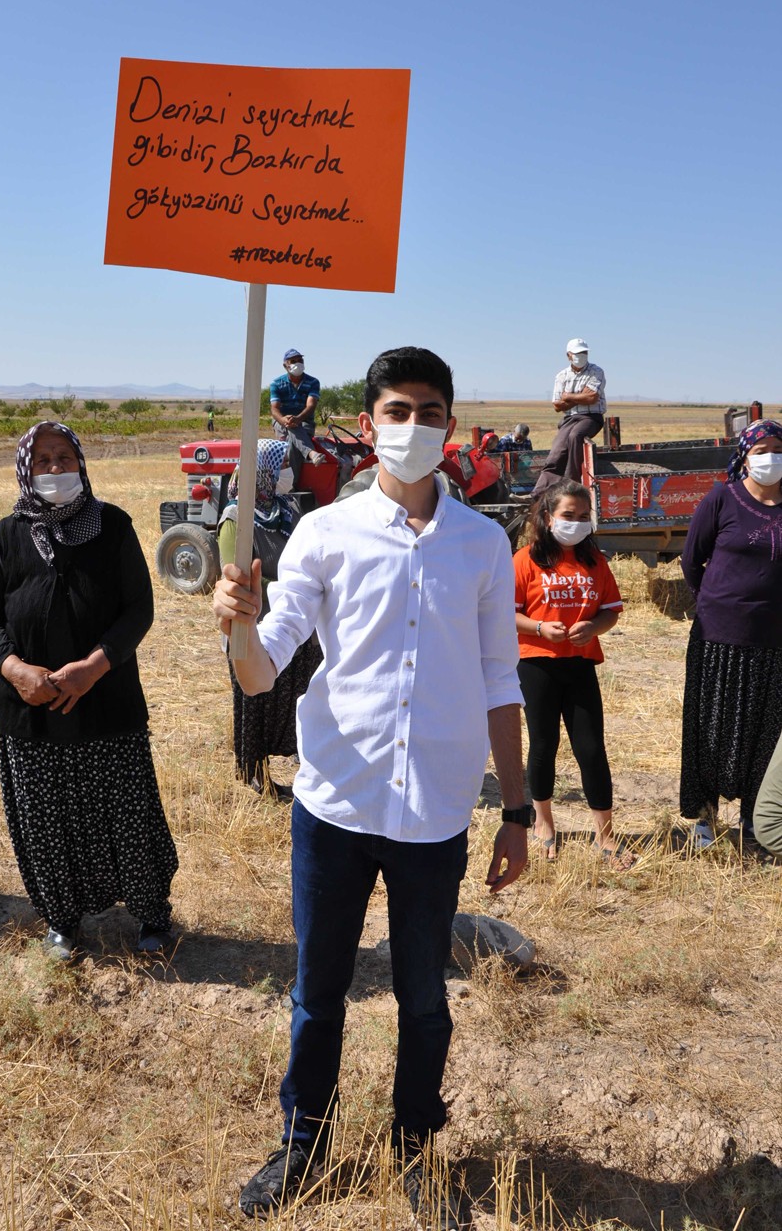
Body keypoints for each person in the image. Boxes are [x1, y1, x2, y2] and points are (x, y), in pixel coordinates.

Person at [214, 346, 529, 1227]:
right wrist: (236, 627)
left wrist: (515, 811)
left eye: (429, 412)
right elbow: (259, 670)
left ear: (452, 428)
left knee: (426, 1001)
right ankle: (303, 1144)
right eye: (397, 411)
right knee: (319, 994)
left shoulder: (482, 542)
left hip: (433, 813)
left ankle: (414, 1146)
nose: (413, 427)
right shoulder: (323, 533)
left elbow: (502, 681)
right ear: (366, 424)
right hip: (335, 807)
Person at [0, 421, 179, 960]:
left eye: (64, 457)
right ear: (26, 469)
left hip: (106, 701)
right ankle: (61, 919)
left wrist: (92, 667)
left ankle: (152, 913)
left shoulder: (112, 525)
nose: (55, 468)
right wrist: (15, 670)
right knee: (45, 819)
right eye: (43, 460)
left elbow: (138, 609)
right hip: (30, 711)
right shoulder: (7, 535)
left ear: (81, 464)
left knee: (125, 812)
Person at [513, 480, 631, 866]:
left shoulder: (595, 561)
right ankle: (543, 823)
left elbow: (610, 610)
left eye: (584, 517)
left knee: (592, 749)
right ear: (548, 518)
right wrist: (538, 628)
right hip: (535, 663)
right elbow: (504, 614)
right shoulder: (524, 560)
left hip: (580, 665)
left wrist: (594, 628)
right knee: (543, 745)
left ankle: (606, 834)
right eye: (568, 516)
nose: (577, 523)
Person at [679, 419, 782, 849]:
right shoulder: (723, 498)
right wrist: (716, 603)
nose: (771, 458)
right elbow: (691, 560)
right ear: (745, 456)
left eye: (778, 448)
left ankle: (756, 819)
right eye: (761, 450)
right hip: (718, 637)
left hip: (773, 640)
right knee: (710, 727)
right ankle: (704, 818)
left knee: (765, 729)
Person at [217, 439, 322, 799]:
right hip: (256, 626)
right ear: (262, 472)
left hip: (293, 622)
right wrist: (292, 586)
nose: (287, 475)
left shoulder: (285, 510)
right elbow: (237, 575)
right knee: (256, 703)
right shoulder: (236, 518)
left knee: (293, 695)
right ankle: (256, 774)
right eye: (280, 468)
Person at [532, 339, 606, 493]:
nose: (582, 356)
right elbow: (557, 406)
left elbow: (592, 398)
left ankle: (571, 481)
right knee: (556, 452)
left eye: (584, 352)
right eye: (578, 353)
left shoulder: (596, 371)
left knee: (575, 436)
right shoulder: (562, 375)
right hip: (569, 418)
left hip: (591, 417)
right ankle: (538, 493)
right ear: (569, 356)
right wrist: (580, 396)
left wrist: (567, 396)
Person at [269, 348, 327, 481]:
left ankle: (289, 486)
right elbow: (274, 409)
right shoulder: (276, 383)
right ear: (285, 365)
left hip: (305, 421)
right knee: (291, 427)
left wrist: (298, 419)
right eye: (293, 361)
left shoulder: (313, 382)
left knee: (291, 444)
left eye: (300, 360)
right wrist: (284, 420)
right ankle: (312, 454)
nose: (298, 363)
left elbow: (311, 405)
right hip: (281, 422)